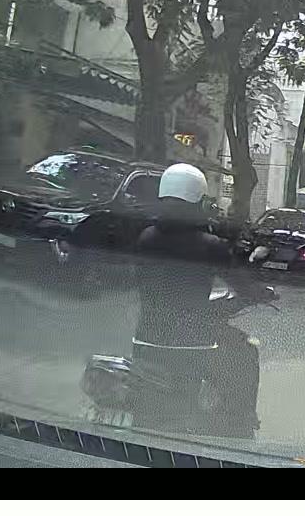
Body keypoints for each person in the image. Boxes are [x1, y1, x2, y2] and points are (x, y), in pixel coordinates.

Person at [131, 163, 271, 434]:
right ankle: (241, 421)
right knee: (245, 350)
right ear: (198, 201)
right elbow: (241, 284)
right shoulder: (210, 245)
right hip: (192, 343)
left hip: (146, 339)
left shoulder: (145, 237)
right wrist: (259, 292)